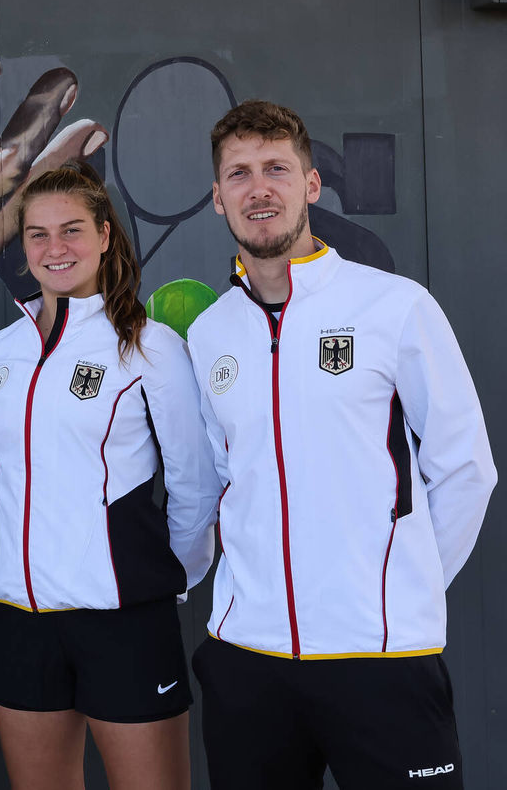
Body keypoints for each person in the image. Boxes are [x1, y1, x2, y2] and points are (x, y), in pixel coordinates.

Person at [186, 100, 496, 789]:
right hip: (249, 658)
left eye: (276, 168)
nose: (258, 187)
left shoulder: (394, 306)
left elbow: (466, 467)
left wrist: (395, 589)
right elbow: (216, 482)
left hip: (381, 658)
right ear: (217, 197)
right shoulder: (210, 334)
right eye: (238, 173)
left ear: (312, 185)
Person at [0, 163, 219, 789]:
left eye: (72, 230)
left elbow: (194, 486)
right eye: (37, 235)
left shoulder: (150, 345)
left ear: (106, 236)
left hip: (124, 618)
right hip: (19, 619)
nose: (55, 249)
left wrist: (162, 579)